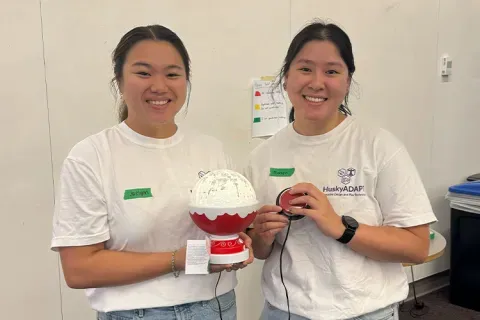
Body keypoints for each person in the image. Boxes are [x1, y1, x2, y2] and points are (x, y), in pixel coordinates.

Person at [50, 24, 253, 320]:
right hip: (135, 313)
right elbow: (79, 269)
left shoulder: (211, 150)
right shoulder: (91, 156)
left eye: (172, 74)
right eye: (143, 73)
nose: (159, 86)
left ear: (186, 81)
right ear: (119, 80)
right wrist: (180, 260)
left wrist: (241, 240)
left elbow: (228, 227)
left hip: (217, 307)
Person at [245, 21, 437, 320]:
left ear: (348, 82)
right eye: (305, 68)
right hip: (283, 312)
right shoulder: (262, 156)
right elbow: (259, 251)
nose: (317, 82)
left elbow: (417, 247)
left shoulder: (379, 147)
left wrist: (341, 227)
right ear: (285, 78)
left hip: (365, 313)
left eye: (332, 71)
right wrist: (262, 236)